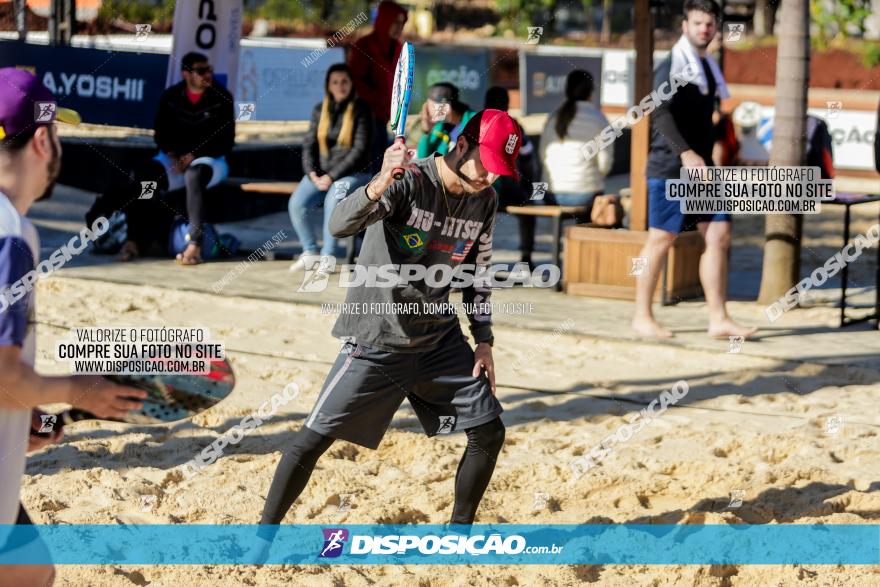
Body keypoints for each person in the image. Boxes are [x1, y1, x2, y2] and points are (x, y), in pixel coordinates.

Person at [248, 110, 522, 563]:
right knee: (313, 439)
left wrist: (485, 339)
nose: (491, 175)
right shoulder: (407, 181)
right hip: (377, 336)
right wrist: (377, 182)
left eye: (500, 169)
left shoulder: (484, 200)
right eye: (487, 162)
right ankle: (261, 540)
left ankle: (458, 540)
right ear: (462, 144)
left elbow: (477, 273)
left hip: (438, 339)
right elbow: (338, 224)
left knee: (488, 431)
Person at [0, 67, 146, 586]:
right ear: (43, 139)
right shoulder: (11, 235)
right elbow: (4, 375)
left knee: (33, 571)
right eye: (58, 131)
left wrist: (30, 418)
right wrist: (82, 389)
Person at [632, 0, 756, 339]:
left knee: (718, 235)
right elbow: (658, 112)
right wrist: (686, 153)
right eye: (698, 23)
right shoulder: (673, 62)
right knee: (661, 238)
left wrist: (724, 152)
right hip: (670, 166)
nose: (704, 28)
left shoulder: (707, 66)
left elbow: (706, 121)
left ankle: (718, 319)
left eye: (709, 24)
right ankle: (641, 316)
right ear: (685, 25)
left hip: (702, 168)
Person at [87, 52, 235, 265]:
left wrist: (195, 156)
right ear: (186, 73)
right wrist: (174, 155)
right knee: (145, 175)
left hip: (210, 161)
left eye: (209, 69)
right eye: (202, 70)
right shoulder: (171, 97)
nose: (208, 74)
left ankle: (194, 245)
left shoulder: (223, 97)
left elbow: (226, 141)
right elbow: (161, 135)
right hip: (175, 160)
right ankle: (133, 241)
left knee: (195, 174)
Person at [288, 64, 373, 273]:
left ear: (351, 84)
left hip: (356, 174)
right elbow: (308, 145)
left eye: (344, 81)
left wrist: (333, 176)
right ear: (328, 85)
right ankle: (310, 251)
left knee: (334, 197)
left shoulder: (362, 109)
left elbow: (359, 151)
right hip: (322, 174)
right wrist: (312, 173)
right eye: (335, 82)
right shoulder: (320, 110)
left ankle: (329, 255)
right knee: (297, 203)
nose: (340, 86)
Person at [540, 69, 612, 217]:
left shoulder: (553, 117)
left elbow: (542, 156)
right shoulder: (599, 119)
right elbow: (605, 165)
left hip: (550, 195)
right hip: (585, 195)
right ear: (591, 92)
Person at [348, 1, 408, 173]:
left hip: (384, 118)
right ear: (384, 20)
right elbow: (354, 80)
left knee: (381, 165)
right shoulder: (364, 44)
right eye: (396, 22)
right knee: (369, 167)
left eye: (402, 23)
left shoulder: (397, 47)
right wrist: (376, 98)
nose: (400, 27)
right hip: (364, 118)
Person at [484, 86, 539, 271]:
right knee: (529, 208)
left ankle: (469, 262)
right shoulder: (514, 126)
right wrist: (528, 188)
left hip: (479, 190)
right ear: (507, 104)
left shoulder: (476, 122)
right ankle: (526, 257)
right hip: (506, 189)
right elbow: (527, 158)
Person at [417, 83, 477, 158]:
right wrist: (426, 132)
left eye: (430, 106)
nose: (427, 112)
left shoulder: (476, 121)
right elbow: (422, 161)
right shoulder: (439, 127)